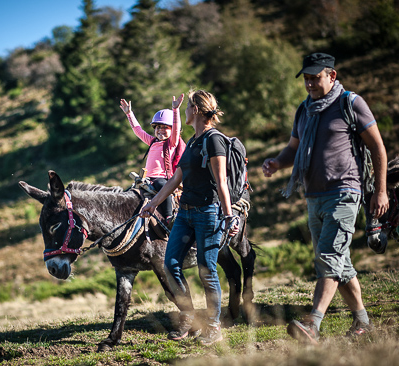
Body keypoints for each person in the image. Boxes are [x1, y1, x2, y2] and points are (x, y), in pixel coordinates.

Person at [262, 52, 389, 344]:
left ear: (331, 75)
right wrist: (277, 163)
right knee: (337, 263)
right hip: (314, 195)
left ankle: (313, 324)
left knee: (329, 258)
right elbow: (293, 148)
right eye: (306, 79)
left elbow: (378, 149)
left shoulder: (351, 103)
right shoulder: (304, 110)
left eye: (314, 78)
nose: (309, 84)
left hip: (345, 192)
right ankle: (363, 322)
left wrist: (380, 191)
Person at [140, 90, 239, 346]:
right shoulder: (193, 142)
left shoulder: (214, 140)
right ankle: (190, 316)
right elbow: (175, 179)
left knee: (207, 269)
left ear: (195, 110)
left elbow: (221, 181)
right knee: (170, 263)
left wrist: (228, 217)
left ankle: (214, 325)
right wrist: (152, 204)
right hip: (185, 212)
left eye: (187, 108)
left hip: (209, 213)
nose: (184, 112)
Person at [120, 99, 185, 224]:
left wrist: (175, 110)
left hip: (163, 179)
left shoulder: (171, 143)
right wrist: (129, 114)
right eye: (158, 127)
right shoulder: (152, 142)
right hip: (146, 179)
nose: (160, 130)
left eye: (165, 127)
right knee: (128, 193)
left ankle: (168, 218)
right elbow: (138, 130)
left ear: (172, 130)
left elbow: (177, 128)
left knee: (163, 189)